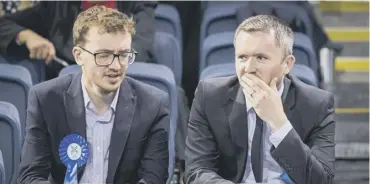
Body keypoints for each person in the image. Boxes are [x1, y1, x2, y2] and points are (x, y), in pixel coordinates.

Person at [18, 6, 169, 184]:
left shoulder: (153, 105)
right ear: (79, 55)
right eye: (104, 55)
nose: (116, 66)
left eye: (123, 55)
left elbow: (153, 178)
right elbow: (31, 176)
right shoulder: (45, 99)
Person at [185, 15, 335, 184]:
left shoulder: (317, 104)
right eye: (242, 57)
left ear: (287, 64)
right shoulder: (210, 96)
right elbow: (196, 171)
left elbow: (320, 180)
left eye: (261, 58)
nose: (248, 68)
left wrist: (279, 123)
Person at [0, 1, 157, 79]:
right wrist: (27, 36)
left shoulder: (138, 4)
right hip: (67, 98)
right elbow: (4, 24)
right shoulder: (58, 5)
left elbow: (140, 48)